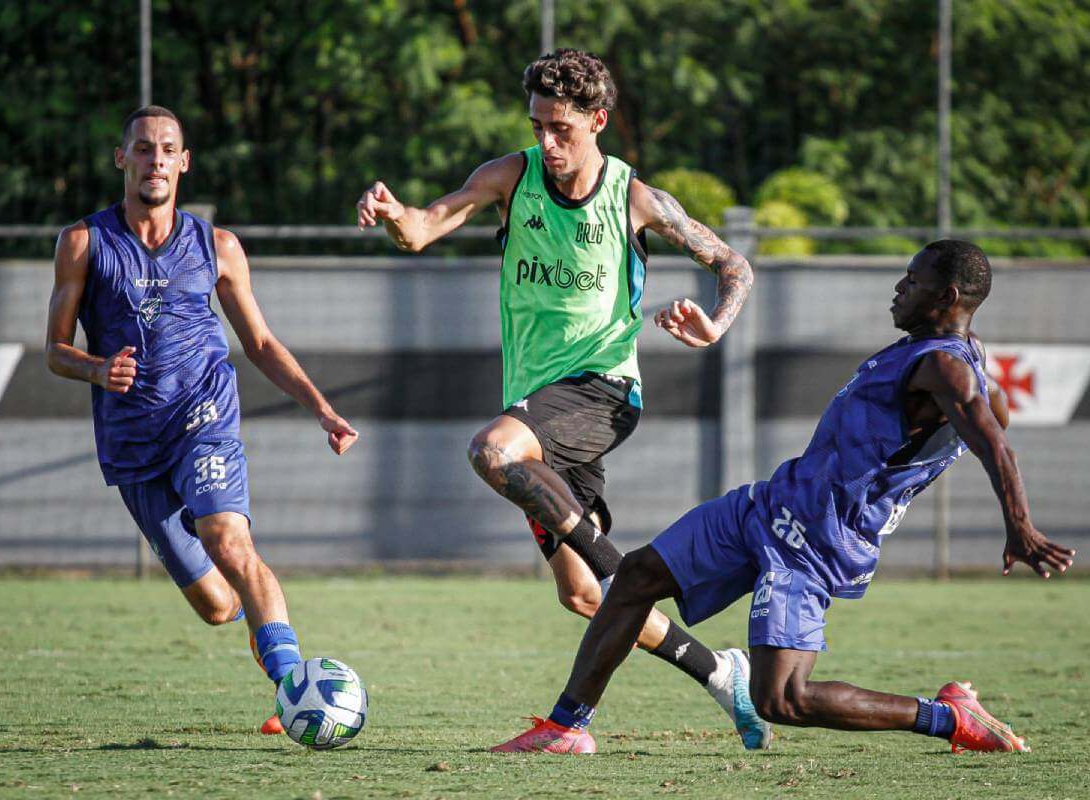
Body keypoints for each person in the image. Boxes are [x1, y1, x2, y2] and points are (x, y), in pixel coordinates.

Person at [492, 240, 1076, 754]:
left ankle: (948, 717)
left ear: (947, 296)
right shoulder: (921, 354)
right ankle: (567, 727)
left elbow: (995, 446)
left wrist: (1019, 528)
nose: (898, 288)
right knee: (637, 576)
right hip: (769, 506)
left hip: (814, 544)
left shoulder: (948, 370)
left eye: (913, 281)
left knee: (782, 699)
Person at [357, 49, 768, 748]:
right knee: (583, 594)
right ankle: (716, 671)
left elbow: (734, 264)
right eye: (538, 125)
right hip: (538, 406)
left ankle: (629, 574)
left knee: (491, 450)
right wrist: (397, 213)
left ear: (598, 121)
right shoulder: (508, 177)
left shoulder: (634, 197)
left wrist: (715, 324)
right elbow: (424, 229)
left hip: (604, 390)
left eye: (562, 129)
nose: (547, 142)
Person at [46, 105, 359, 735]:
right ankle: (259, 620)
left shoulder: (216, 246)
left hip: (203, 417)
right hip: (133, 443)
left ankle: (296, 687)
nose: (154, 159)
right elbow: (55, 349)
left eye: (166, 149)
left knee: (228, 538)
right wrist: (97, 369)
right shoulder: (83, 242)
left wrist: (322, 409)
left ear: (183, 163)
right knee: (218, 605)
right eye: (142, 148)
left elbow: (262, 343)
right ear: (122, 158)